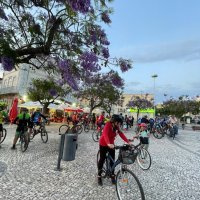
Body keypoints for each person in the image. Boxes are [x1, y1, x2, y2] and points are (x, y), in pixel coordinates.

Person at [97, 114, 131, 186]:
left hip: (111, 145)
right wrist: (108, 143)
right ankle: (99, 175)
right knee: (102, 159)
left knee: (113, 160)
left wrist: (128, 141)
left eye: (119, 123)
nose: (119, 124)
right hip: (104, 143)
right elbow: (105, 135)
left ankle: (112, 174)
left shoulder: (116, 127)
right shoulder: (108, 125)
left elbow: (121, 134)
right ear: (114, 121)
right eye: (118, 122)